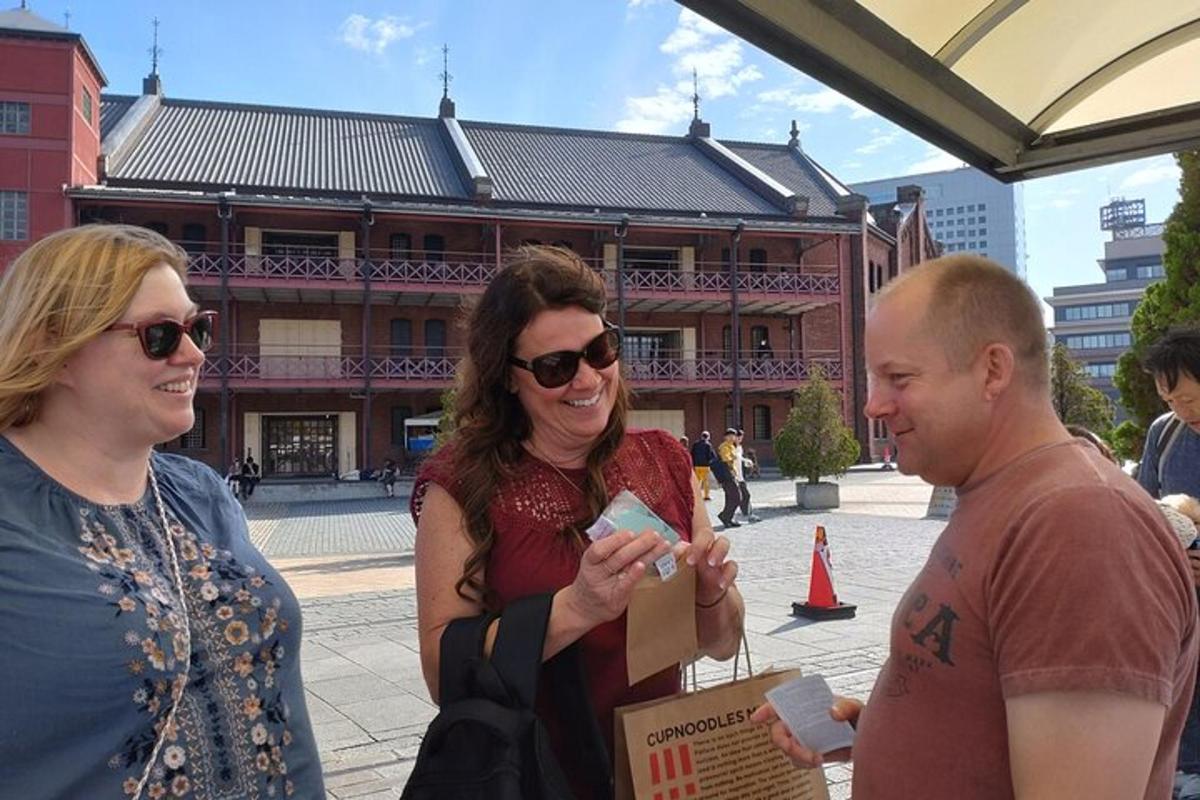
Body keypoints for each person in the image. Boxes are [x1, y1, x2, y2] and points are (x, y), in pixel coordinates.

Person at [752, 254, 1198, 799]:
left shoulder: (1078, 523)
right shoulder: (1004, 493)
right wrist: (880, 735)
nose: (871, 405)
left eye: (899, 377)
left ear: (992, 370)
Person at [0, 224, 324, 798]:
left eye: (198, 328)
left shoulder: (200, 492)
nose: (194, 353)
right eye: (160, 336)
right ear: (58, 348)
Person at [410, 246, 744, 798]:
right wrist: (578, 607)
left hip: (661, 768)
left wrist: (709, 593)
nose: (587, 378)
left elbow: (723, 644)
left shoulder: (665, 460)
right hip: (533, 775)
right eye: (555, 366)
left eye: (599, 350)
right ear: (509, 377)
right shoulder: (460, 486)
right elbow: (440, 671)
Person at [1133, 325, 1200, 798]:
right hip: (1180, 606)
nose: (1183, 410)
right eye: (1170, 399)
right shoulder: (1166, 433)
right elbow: (1142, 513)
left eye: (1191, 398)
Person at [713, 428, 743, 529]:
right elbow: (726, 458)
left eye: (733, 435)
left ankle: (728, 518)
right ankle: (725, 516)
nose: (732, 437)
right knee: (736, 497)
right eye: (729, 435)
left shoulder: (732, 446)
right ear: (725, 437)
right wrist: (734, 457)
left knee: (731, 498)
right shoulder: (724, 446)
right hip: (727, 476)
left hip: (731, 474)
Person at [732, 429, 760, 523]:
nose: (740, 439)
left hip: (740, 476)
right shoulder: (731, 448)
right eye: (739, 437)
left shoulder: (739, 447)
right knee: (739, 496)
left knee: (745, 495)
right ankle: (735, 517)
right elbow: (735, 458)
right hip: (735, 476)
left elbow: (740, 458)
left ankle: (747, 514)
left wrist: (746, 462)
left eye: (741, 437)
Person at [690, 430, 716, 501]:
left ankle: (695, 495)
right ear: (708, 437)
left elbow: (692, 454)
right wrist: (710, 462)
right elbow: (712, 455)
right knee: (706, 482)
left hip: (697, 466)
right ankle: (706, 496)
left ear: (701, 436)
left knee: (697, 481)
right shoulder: (708, 445)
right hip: (705, 466)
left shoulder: (695, 444)